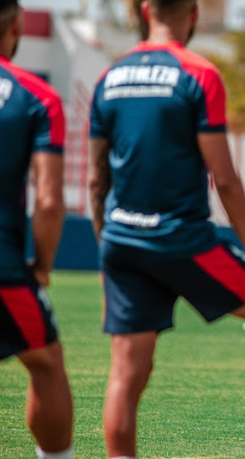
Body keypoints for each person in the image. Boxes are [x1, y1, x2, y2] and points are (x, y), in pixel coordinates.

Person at [87, 1, 245, 458]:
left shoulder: (109, 77)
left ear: (146, 10)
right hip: (182, 241)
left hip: (122, 240)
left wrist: (106, 244)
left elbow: (95, 177)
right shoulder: (198, 73)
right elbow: (223, 177)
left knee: (127, 373)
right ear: (191, 13)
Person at [0, 1, 74, 458]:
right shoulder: (34, 95)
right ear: (15, 27)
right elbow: (47, 200)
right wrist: (42, 267)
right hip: (5, 266)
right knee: (45, 363)